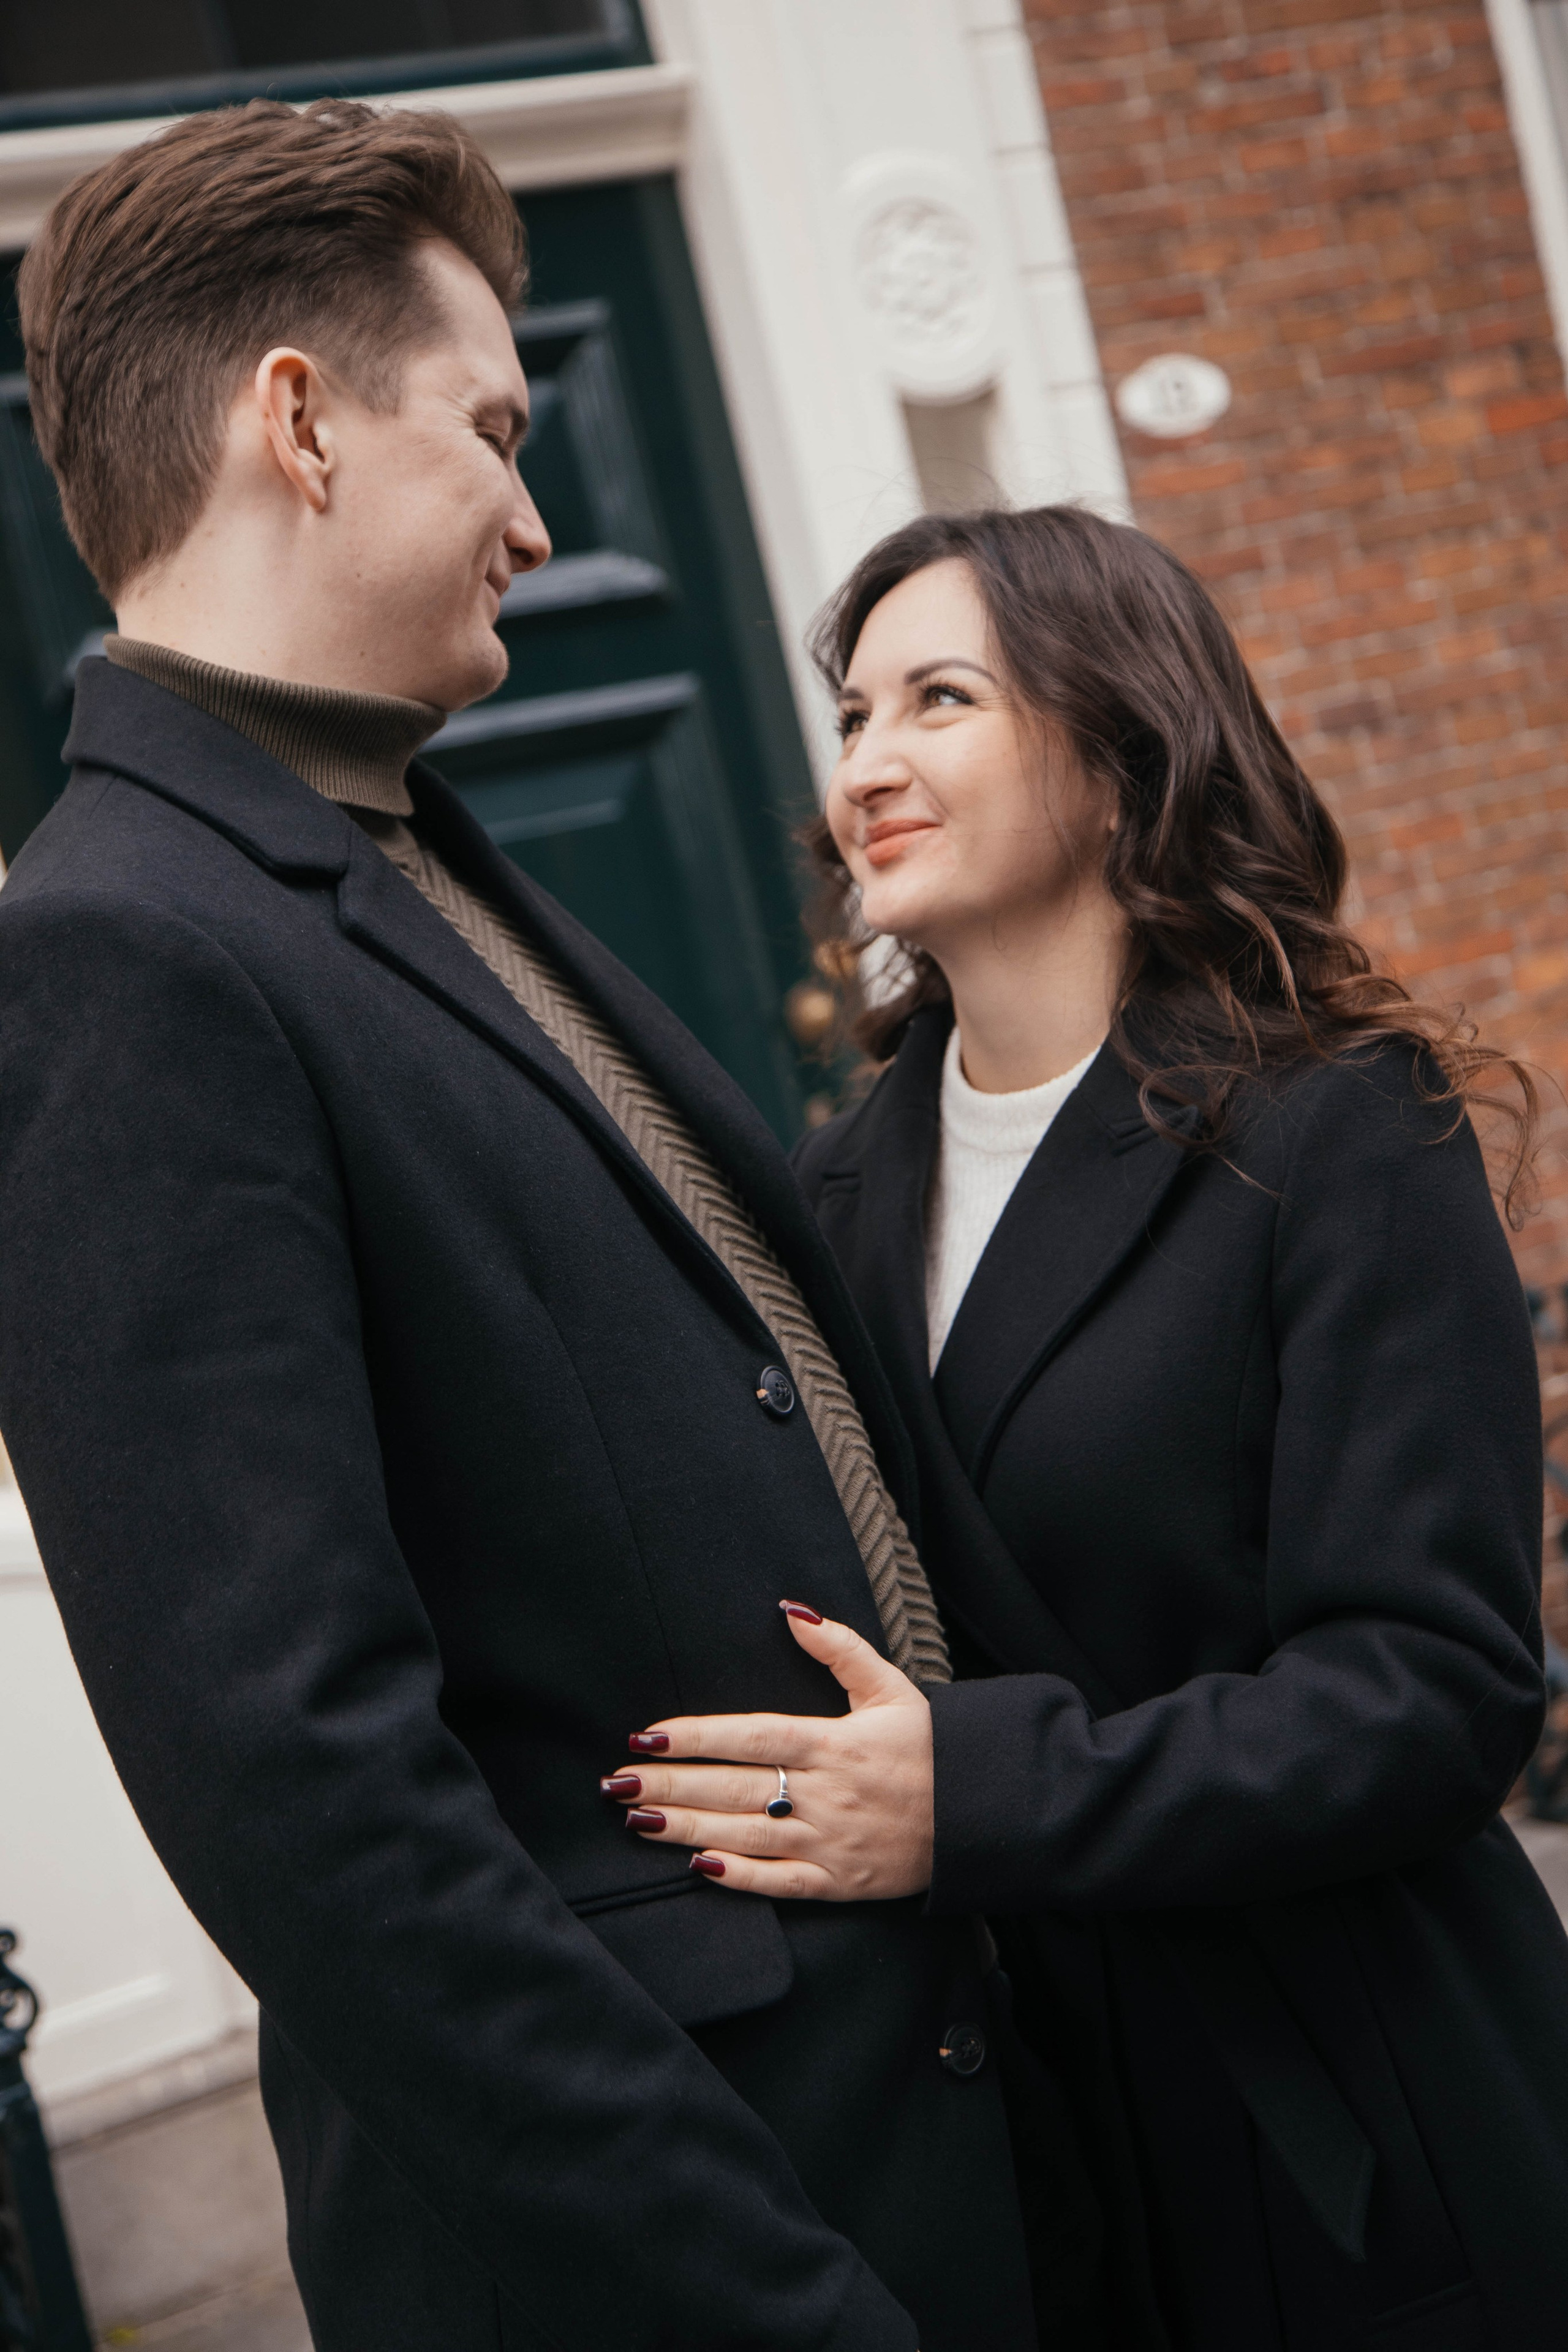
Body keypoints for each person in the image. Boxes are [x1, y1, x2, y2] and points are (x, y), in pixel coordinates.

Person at [0, 107, 1069, 2352]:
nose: (539, 512)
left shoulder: (419, 854)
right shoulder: (118, 954)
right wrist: (782, 2306)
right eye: (494, 429)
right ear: (296, 420)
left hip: (933, 2127)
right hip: (701, 2245)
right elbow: (311, 1801)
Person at [606, 507, 1568, 2350]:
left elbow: (1436, 1694)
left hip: (1348, 2122)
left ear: (1122, 750)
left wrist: (978, 1795)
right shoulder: (830, 1193)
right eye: (855, 715)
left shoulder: (1338, 1130)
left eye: (938, 699)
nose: (867, 764)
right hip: (1029, 2148)